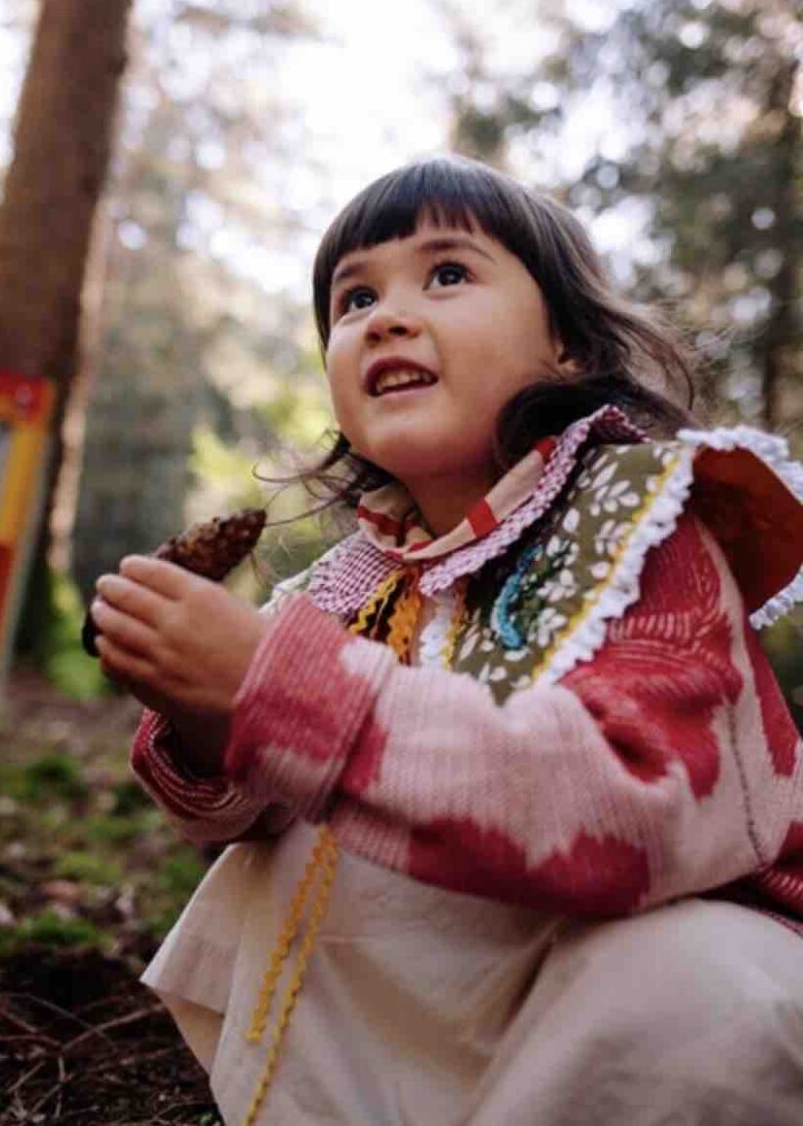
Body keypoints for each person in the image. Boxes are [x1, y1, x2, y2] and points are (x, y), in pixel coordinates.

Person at [90, 155, 803, 1126]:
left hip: (659, 972)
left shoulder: (642, 523)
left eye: (448, 273)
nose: (385, 317)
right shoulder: (352, 579)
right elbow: (233, 817)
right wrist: (210, 707)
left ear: (567, 343)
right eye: (354, 298)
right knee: (284, 851)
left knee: (690, 990)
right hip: (433, 1015)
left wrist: (284, 688)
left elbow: (634, 811)